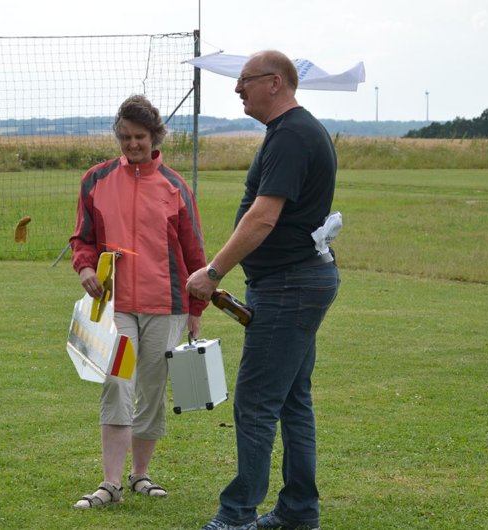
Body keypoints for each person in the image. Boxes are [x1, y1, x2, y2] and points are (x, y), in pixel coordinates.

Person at [187, 50, 341, 530]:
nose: (237, 89)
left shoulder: (292, 134)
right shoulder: (291, 131)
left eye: (245, 81)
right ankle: (298, 511)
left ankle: (236, 515)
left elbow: (263, 216)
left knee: (256, 402)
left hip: (289, 285)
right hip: (297, 280)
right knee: (292, 398)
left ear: (275, 82)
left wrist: (213, 272)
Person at [69, 94, 208, 509]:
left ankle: (140, 475)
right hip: (115, 305)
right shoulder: (95, 180)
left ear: (155, 137)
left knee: (153, 389)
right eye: (126, 136)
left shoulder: (176, 186)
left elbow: (195, 253)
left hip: (168, 304)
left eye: (140, 137)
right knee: (116, 383)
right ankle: (110, 483)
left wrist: (196, 310)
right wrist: (85, 269)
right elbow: (83, 238)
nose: (132, 144)